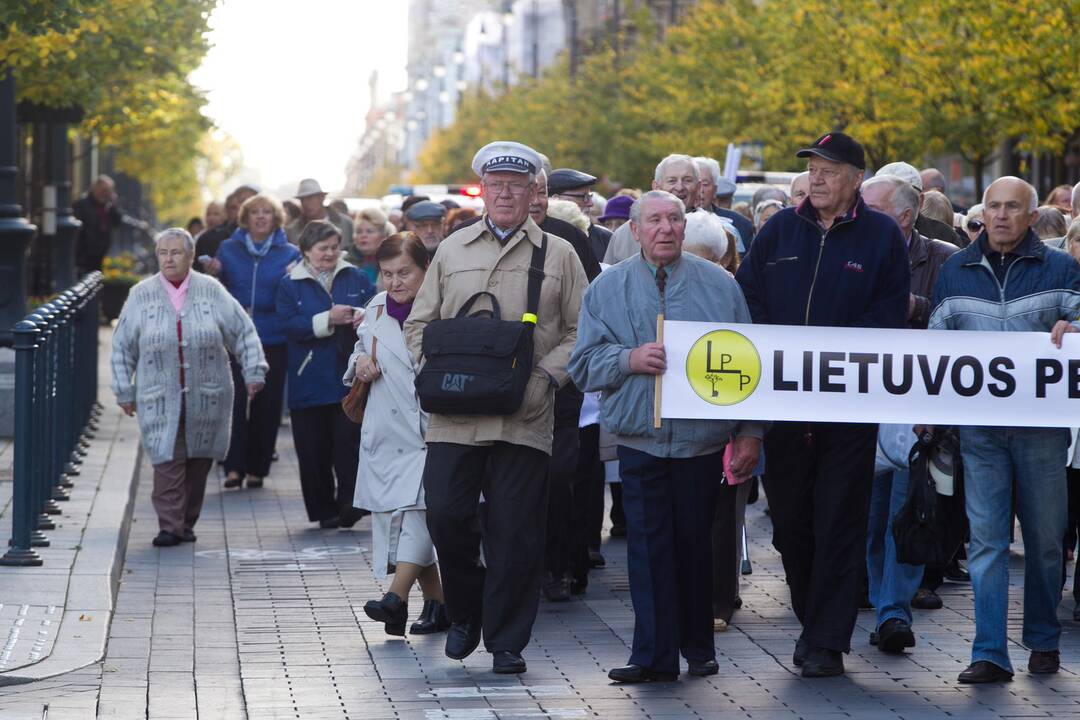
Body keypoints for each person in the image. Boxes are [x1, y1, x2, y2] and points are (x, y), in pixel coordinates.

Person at [404, 140, 588, 675]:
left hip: (523, 416)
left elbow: (582, 330)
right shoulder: (452, 248)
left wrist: (547, 377)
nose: (505, 193)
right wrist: (434, 372)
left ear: (535, 193)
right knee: (446, 515)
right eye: (496, 184)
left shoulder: (559, 253)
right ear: (482, 190)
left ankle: (507, 640)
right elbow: (418, 323)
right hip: (453, 416)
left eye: (517, 185)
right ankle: (466, 612)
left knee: (514, 531)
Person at [569, 190, 764, 683]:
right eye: (654, 220)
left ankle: (699, 647)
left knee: (696, 545)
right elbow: (582, 366)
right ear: (634, 230)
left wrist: (749, 435)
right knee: (648, 549)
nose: (666, 229)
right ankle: (652, 655)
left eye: (674, 219)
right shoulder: (607, 288)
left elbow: (749, 368)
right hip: (640, 439)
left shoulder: (720, 287)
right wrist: (628, 360)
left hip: (701, 443)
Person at [736, 132, 909, 678]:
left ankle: (826, 639)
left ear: (856, 178)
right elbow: (749, 299)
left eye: (829, 169)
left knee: (839, 519)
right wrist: (779, 349)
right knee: (789, 524)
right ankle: (813, 619)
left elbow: (889, 311)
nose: (816, 177)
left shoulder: (880, 236)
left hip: (848, 410)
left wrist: (831, 355)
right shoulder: (779, 230)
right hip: (784, 406)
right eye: (812, 167)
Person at [930, 176, 1080, 684]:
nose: (1000, 216)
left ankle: (1041, 639)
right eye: (993, 206)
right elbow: (934, 347)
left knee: (1043, 540)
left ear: (1032, 216)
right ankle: (990, 651)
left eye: (1012, 207)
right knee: (987, 542)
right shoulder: (955, 270)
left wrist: (1077, 330)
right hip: (980, 433)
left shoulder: (1062, 269)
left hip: (1041, 431)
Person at [111, 229, 266, 547]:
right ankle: (170, 525)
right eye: (163, 253)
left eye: (176, 252)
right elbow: (122, 347)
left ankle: (185, 521)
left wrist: (254, 371)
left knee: (199, 461)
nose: (168, 259)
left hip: (208, 396)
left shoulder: (212, 291)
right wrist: (123, 390)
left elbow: (243, 333)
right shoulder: (142, 294)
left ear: (191, 257)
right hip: (158, 398)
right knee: (166, 459)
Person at [859, 174, 957, 653]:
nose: (860, 216)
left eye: (872, 208)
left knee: (908, 510)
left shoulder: (942, 259)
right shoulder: (848, 253)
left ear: (905, 214)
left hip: (915, 407)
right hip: (858, 403)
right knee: (869, 517)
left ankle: (894, 611)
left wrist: (912, 306)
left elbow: (955, 319)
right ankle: (882, 602)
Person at [349, 232, 449, 636]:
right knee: (408, 514)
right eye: (386, 274)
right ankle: (440, 604)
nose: (395, 282)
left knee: (419, 513)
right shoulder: (375, 309)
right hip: (388, 432)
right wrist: (359, 364)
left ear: (425, 269)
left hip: (432, 427)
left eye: (404, 272)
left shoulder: (444, 307)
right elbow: (358, 351)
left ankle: (396, 597)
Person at [276, 220, 373, 528]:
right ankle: (323, 510)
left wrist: (363, 318)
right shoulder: (289, 284)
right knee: (313, 450)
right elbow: (290, 325)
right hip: (309, 378)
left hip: (347, 376)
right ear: (306, 251)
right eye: (322, 248)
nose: (330, 253)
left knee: (349, 444)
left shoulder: (355, 276)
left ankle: (350, 504)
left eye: (334, 247)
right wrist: (326, 319)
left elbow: (375, 308)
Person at [213, 194, 300, 490]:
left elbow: (294, 295)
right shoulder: (228, 249)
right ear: (245, 218)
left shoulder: (289, 253)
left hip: (273, 336)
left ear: (276, 219)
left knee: (267, 404)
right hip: (235, 338)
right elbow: (218, 290)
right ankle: (232, 467)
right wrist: (213, 272)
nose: (261, 217)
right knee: (233, 401)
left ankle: (257, 468)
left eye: (267, 212)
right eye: (255, 213)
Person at [604, 154, 701, 264]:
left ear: (698, 187)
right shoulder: (626, 234)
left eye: (687, 180)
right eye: (672, 181)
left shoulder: (714, 230)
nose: (679, 187)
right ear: (656, 187)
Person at [876, 162, 963, 246]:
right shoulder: (866, 231)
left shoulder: (944, 235)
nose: (892, 205)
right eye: (883, 197)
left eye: (901, 197)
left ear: (920, 201)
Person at [73, 175, 146, 275]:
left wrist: (114, 204)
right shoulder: (81, 205)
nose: (106, 193)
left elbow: (118, 221)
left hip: (101, 252)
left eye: (109, 190)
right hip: (84, 254)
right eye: (104, 190)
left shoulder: (108, 206)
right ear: (95, 188)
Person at [548, 168, 614, 263]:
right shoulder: (538, 236)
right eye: (584, 197)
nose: (590, 203)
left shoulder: (604, 238)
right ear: (556, 199)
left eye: (590, 197)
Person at [694, 157, 755, 253]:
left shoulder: (740, 225)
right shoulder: (673, 222)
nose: (700, 190)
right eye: (695, 183)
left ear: (715, 189)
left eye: (705, 184)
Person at [195, 185, 258, 272]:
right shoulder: (211, 239)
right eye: (242, 202)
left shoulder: (273, 238)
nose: (247, 206)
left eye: (216, 213)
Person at [285, 179, 355, 249]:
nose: (306, 203)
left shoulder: (346, 223)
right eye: (302, 199)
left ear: (322, 198)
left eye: (310, 198)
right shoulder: (293, 230)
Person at [347, 207, 394, 284]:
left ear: (383, 236)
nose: (363, 235)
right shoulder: (345, 262)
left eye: (369, 231)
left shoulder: (395, 263)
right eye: (359, 231)